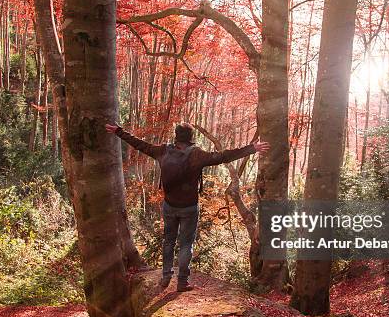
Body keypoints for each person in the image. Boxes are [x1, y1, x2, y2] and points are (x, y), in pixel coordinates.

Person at [106, 122, 269, 292]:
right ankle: (182, 282)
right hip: (189, 208)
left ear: (176, 136)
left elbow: (140, 144)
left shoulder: (163, 151)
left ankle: (166, 276)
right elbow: (223, 156)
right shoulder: (196, 155)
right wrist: (252, 148)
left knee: (168, 241)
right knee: (186, 245)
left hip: (169, 206)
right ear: (191, 138)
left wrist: (119, 132)